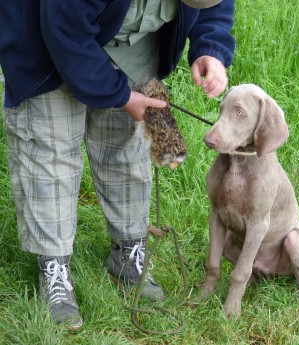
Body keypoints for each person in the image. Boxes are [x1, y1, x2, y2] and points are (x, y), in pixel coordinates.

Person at [0, 0, 235, 330]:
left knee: (125, 147)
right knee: (49, 151)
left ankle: (128, 254)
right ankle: (54, 268)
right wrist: (120, 96)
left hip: (127, 44)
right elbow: (65, 31)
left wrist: (210, 48)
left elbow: (215, 7)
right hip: (45, 38)